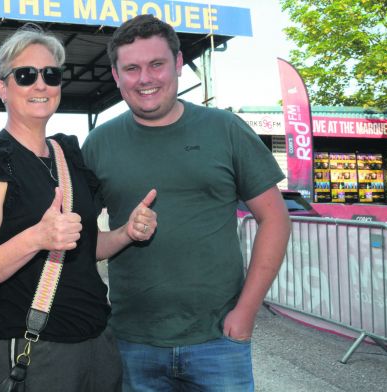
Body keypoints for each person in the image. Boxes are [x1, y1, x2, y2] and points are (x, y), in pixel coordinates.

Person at [81, 15, 291, 391]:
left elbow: (275, 219)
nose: (145, 78)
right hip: (133, 343)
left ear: (177, 65)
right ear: (116, 76)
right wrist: (125, 233)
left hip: (218, 342)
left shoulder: (225, 129)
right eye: (131, 68)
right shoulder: (99, 144)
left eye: (156, 64)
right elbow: (81, 243)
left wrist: (246, 312)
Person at [0, 25, 157, 392]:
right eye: (26, 75)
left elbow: (85, 248)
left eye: (51, 74)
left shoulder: (67, 156)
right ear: (2, 87)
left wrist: (127, 233)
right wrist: (37, 237)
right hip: (37, 350)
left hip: (97, 342)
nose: (40, 84)